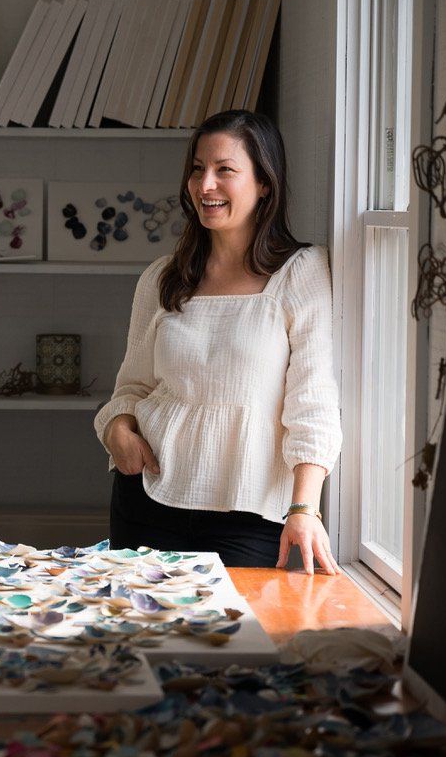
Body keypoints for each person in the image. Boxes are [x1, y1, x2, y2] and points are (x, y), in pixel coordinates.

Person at [93, 109, 342, 574]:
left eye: (224, 170)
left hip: (249, 513)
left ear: (264, 182)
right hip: (147, 497)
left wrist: (305, 509)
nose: (204, 184)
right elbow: (131, 389)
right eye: (196, 169)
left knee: (234, 643)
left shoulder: (301, 273)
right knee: (140, 640)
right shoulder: (163, 278)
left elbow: (313, 403)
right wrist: (117, 431)